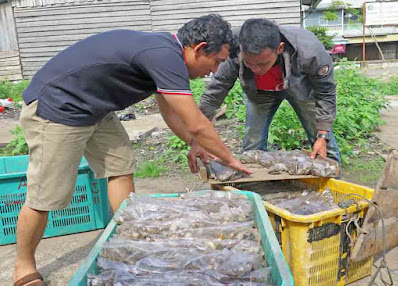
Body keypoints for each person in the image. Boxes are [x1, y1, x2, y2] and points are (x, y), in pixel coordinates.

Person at [14, 14, 251, 286]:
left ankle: (130, 236)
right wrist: (230, 160)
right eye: (216, 62)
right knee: (47, 195)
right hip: (58, 107)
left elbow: (172, 111)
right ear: (199, 48)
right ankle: (23, 267)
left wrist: (194, 144)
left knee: (121, 166)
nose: (213, 71)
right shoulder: (164, 55)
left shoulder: (167, 53)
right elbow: (197, 123)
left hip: (96, 108)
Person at [193, 18, 341, 166]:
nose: (256, 69)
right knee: (252, 145)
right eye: (249, 63)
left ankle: (333, 179)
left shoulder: (309, 51)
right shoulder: (232, 48)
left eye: (262, 63)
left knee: (323, 144)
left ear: (280, 48)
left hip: (300, 88)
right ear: (241, 50)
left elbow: (325, 91)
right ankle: (256, 186)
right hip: (260, 93)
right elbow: (217, 88)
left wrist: (322, 134)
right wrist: (200, 131)